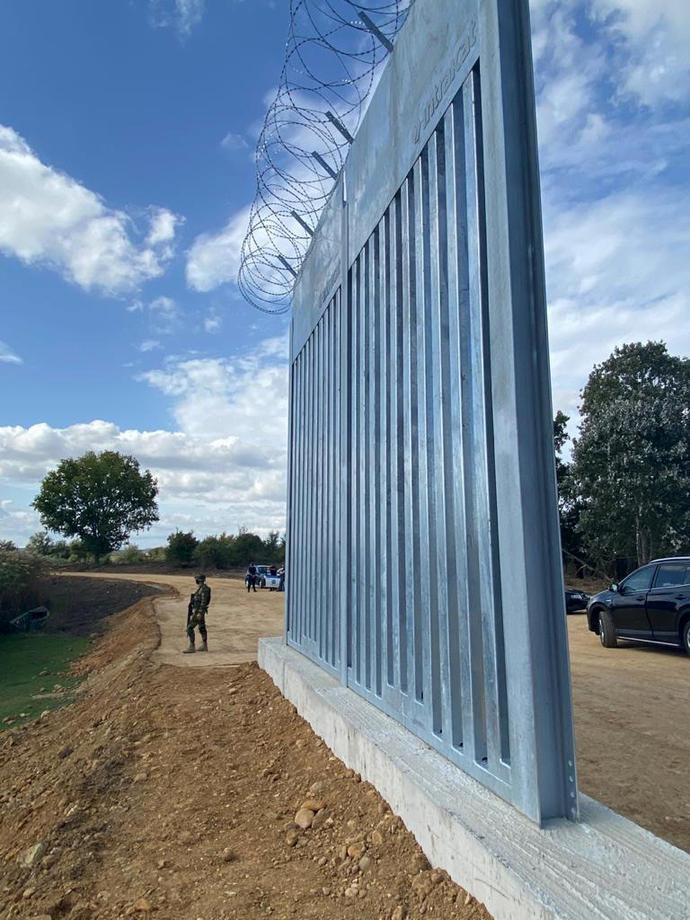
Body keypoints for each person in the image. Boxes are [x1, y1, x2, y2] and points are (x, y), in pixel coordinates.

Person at [183, 574, 211, 653]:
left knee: (190, 628)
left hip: (198, 611)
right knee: (201, 627)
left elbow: (203, 602)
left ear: (199, 580)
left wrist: (200, 612)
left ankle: (192, 646)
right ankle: (204, 645)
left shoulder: (204, 589)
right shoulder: (201, 589)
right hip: (198, 611)